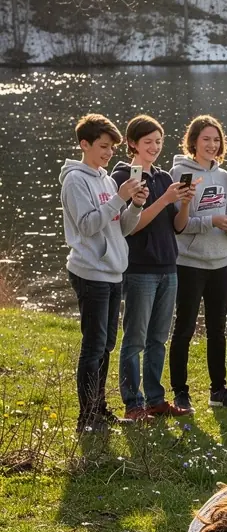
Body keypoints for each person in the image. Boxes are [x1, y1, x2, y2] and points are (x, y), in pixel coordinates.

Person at [60, 114, 146, 433]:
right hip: (90, 272)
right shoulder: (75, 180)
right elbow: (87, 226)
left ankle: (99, 409)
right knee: (94, 346)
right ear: (85, 144)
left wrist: (134, 205)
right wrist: (119, 198)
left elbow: (120, 228)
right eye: (103, 146)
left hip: (113, 271)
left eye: (112, 148)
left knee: (107, 344)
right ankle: (87, 418)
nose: (109, 153)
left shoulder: (107, 180)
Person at [111, 115, 194, 421]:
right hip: (139, 268)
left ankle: (156, 400)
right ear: (132, 143)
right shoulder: (124, 177)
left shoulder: (163, 177)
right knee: (135, 338)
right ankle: (133, 403)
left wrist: (184, 202)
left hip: (168, 266)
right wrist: (165, 199)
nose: (155, 147)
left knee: (158, 338)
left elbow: (178, 227)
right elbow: (131, 227)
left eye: (159, 141)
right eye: (148, 142)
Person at [169, 115, 227, 412]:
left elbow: (225, 215)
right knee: (185, 328)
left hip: (220, 261)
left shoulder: (224, 177)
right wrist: (211, 221)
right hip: (189, 262)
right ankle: (180, 392)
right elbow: (178, 225)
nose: (212, 145)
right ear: (193, 142)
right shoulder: (180, 173)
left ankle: (218, 390)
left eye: (216, 140)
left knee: (217, 330)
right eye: (206, 139)